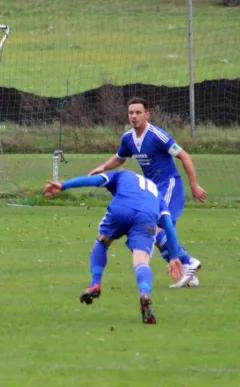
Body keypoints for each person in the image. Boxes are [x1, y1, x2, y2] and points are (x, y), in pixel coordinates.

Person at [89, 97, 207, 288]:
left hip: (169, 186)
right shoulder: (128, 138)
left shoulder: (157, 136)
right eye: (131, 113)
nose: (134, 116)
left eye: (138, 112)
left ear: (147, 114)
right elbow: (120, 158)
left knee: (156, 228)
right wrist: (103, 167)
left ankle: (189, 262)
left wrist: (194, 185)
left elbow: (184, 155)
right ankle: (189, 274)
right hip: (152, 191)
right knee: (152, 233)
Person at [43, 170, 184, 324]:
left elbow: (93, 180)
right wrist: (174, 256)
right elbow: (169, 227)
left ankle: (95, 284)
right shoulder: (157, 194)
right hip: (146, 216)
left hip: (122, 209)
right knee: (141, 260)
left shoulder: (121, 174)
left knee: (102, 241)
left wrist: (63, 185)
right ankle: (144, 293)